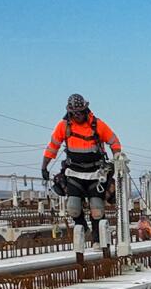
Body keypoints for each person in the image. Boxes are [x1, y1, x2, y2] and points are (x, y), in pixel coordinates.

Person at [41, 94, 121, 234]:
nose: (77, 116)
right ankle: (83, 230)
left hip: (96, 174)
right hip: (74, 173)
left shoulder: (98, 125)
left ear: (86, 110)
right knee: (73, 207)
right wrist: (44, 166)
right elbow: (53, 146)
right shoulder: (63, 126)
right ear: (69, 112)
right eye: (74, 113)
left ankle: (98, 238)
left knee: (97, 208)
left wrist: (117, 160)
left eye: (80, 112)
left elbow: (114, 142)